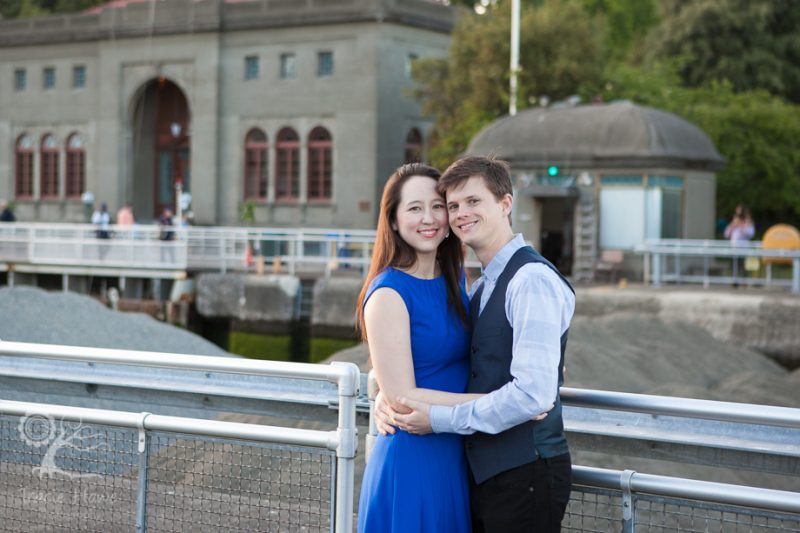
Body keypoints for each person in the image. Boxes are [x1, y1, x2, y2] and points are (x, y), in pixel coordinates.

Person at [377, 156, 576, 532]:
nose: (459, 214)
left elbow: (533, 395)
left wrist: (435, 419)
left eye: (473, 201)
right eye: (452, 206)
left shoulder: (531, 280)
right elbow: (459, 359)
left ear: (505, 204)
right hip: (481, 472)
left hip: (525, 472)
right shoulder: (479, 286)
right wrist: (385, 391)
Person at [357, 163, 476, 532]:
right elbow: (402, 397)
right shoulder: (389, 292)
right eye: (414, 208)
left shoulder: (455, 278)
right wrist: (501, 402)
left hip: (455, 450)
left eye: (437, 206)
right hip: (414, 458)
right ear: (392, 220)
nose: (429, 218)